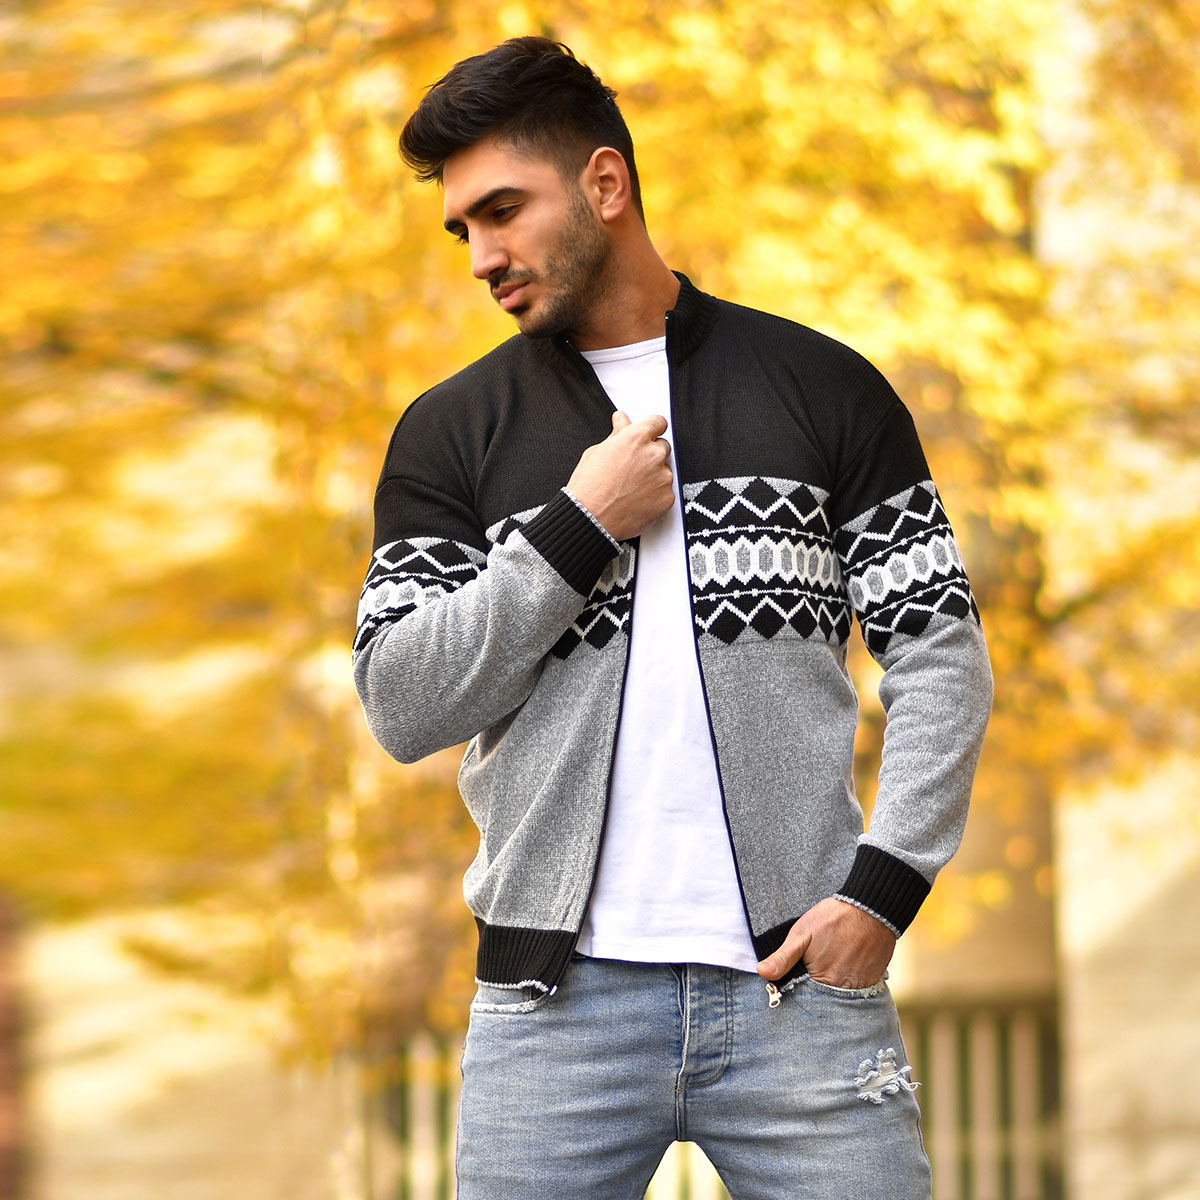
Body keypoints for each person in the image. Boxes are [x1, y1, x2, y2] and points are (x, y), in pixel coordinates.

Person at [354, 36, 992, 1199]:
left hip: (803, 994)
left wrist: (883, 892)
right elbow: (402, 702)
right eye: (463, 229)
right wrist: (579, 527)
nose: (482, 256)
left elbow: (941, 652)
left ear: (604, 183)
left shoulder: (824, 389)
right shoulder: (452, 432)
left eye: (503, 210)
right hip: (553, 1016)